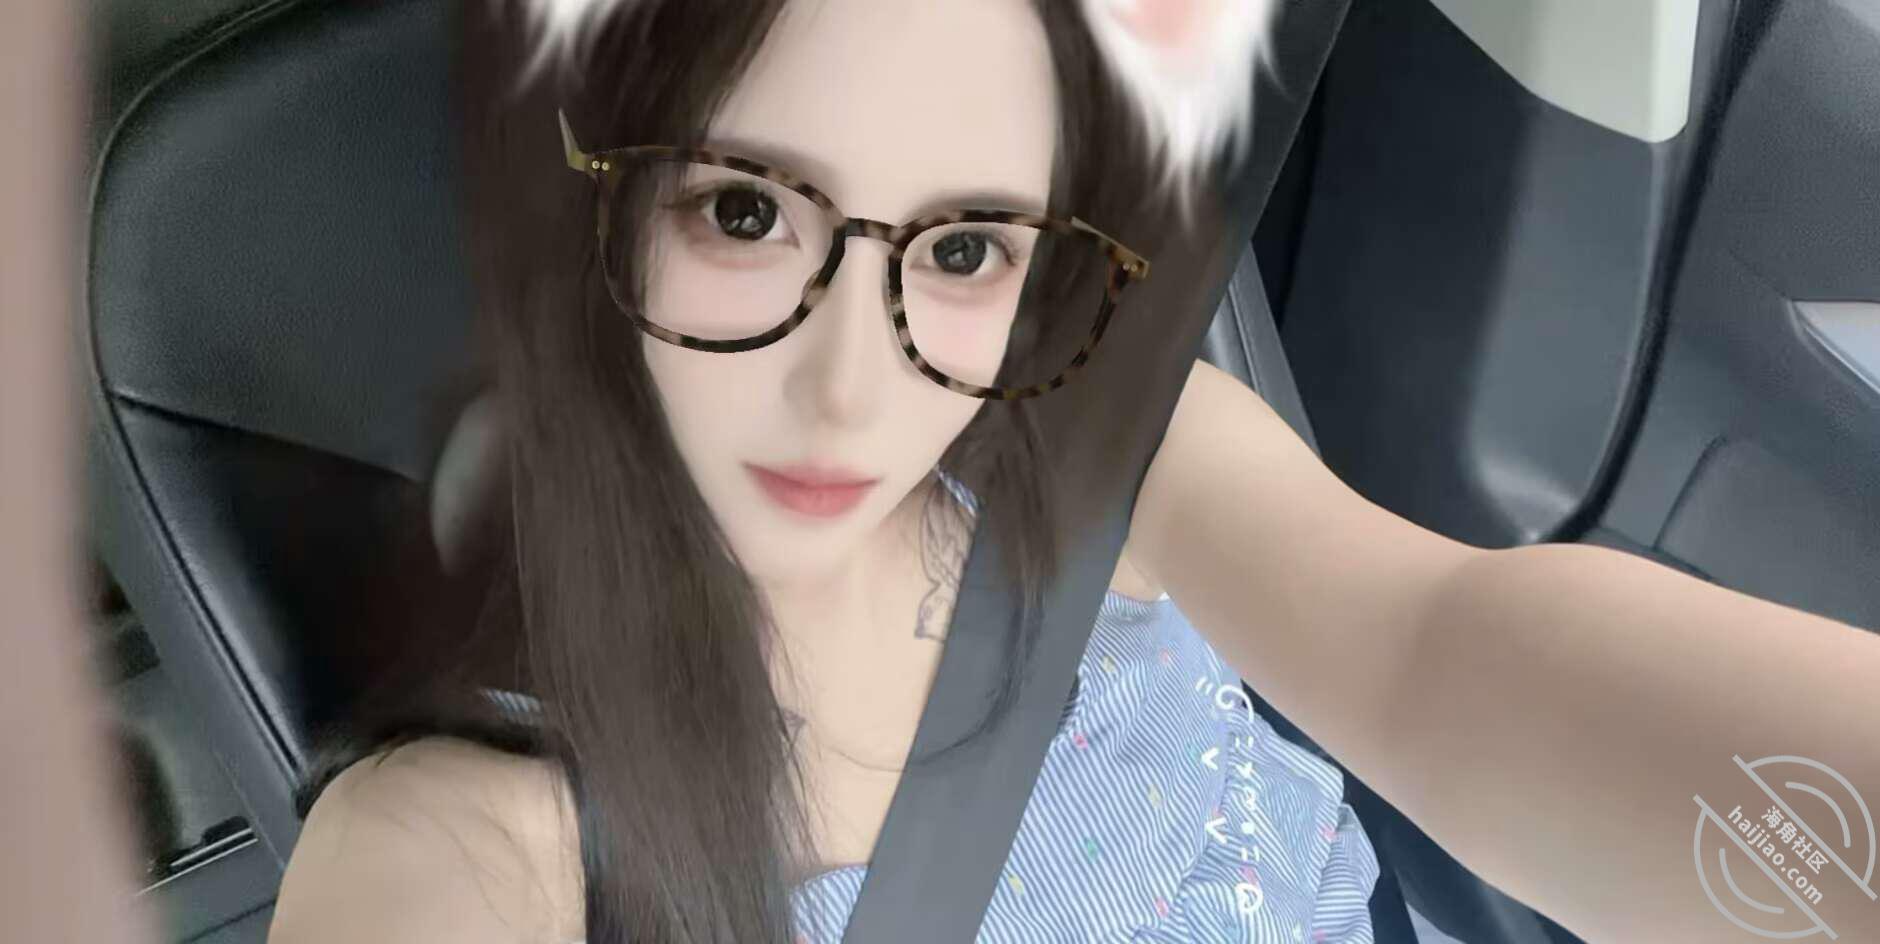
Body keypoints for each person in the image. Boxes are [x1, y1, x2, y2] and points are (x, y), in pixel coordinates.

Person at [268, 1, 1880, 942]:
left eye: (963, 246)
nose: (854, 387)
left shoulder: (1112, 464)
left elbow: (1441, 651)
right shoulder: (471, 849)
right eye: (748, 214)